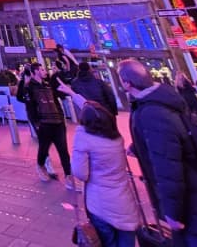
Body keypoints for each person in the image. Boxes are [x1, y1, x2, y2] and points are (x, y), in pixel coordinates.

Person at [118, 58, 197, 246]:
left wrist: (172, 211)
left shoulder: (152, 112)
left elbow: (168, 167)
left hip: (194, 207)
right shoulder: (164, 100)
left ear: (126, 83)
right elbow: (173, 139)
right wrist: (140, 147)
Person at [58, 84, 140, 247]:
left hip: (100, 204)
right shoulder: (117, 138)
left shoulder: (85, 139)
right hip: (125, 203)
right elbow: (93, 110)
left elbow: (80, 173)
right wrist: (72, 93)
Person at [17, 62, 74, 189]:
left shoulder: (48, 85)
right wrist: (37, 123)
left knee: (63, 149)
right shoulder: (28, 87)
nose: (45, 71)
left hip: (57, 121)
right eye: (42, 69)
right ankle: (41, 165)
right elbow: (27, 103)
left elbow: (56, 100)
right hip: (43, 122)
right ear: (35, 71)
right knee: (44, 147)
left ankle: (69, 176)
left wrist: (61, 116)